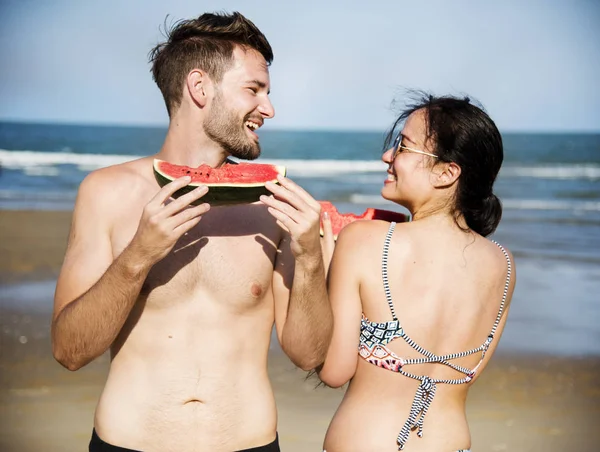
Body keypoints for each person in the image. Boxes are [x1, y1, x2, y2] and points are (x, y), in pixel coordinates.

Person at [51, 11, 332, 452]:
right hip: (127, 443)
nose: (269, 109)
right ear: (200, 88)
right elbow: (69, 352)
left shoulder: (274, 204)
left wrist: (312, 261)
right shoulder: (105, 193)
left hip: (250, 444)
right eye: (254, 90)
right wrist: (138, 257)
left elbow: (309, 354)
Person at [278, 93, 516, 451]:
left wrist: (309, 259)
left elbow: (333, 370)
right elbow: (469, 372)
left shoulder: (364, 240)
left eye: (403, 148)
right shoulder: (503, 264)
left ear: (447, 172)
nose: (387, 156)